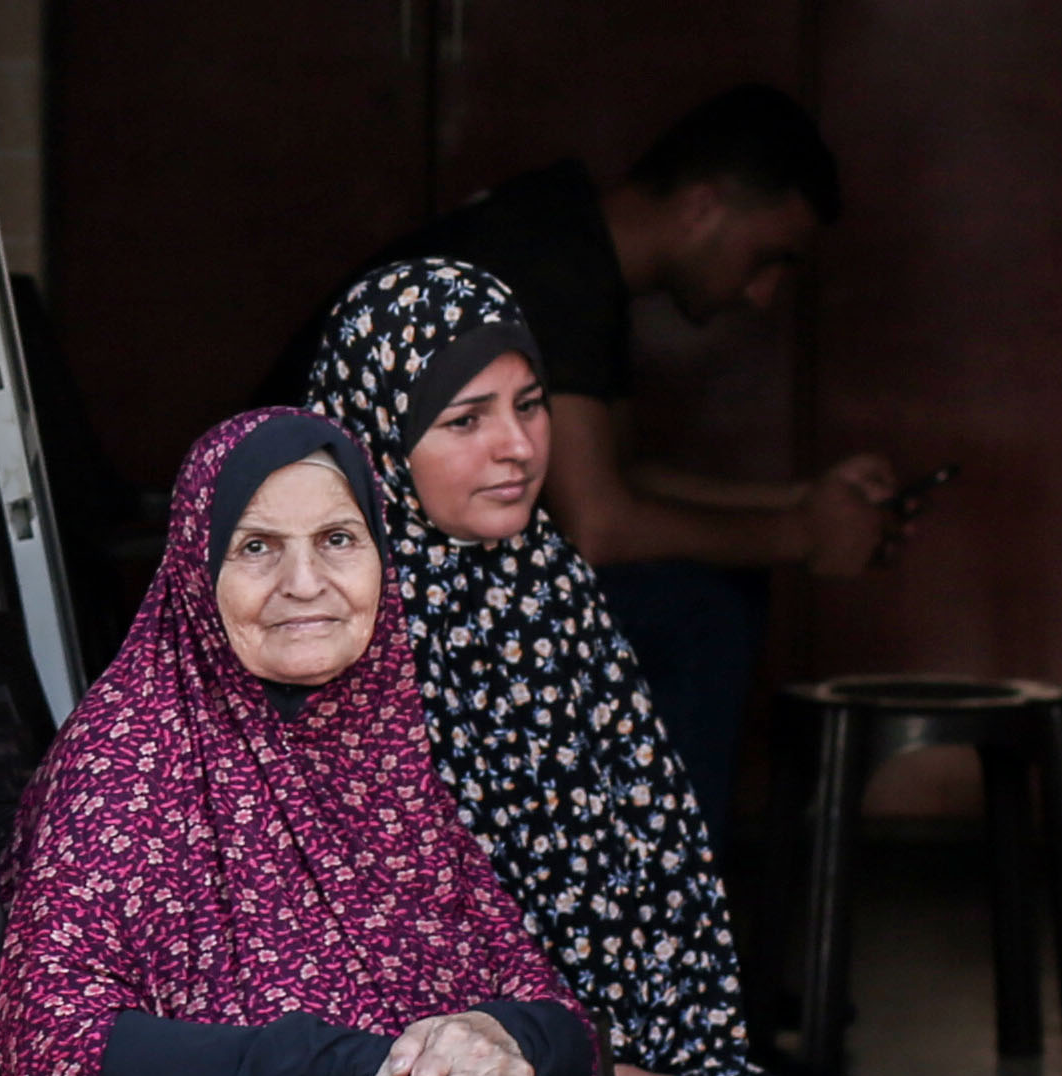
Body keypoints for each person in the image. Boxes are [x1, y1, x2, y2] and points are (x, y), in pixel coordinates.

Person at [0, 408, 956, 1076]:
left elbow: (555, 1015)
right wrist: (365, 1066)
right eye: (257, 549)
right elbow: (48, 1043)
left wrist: (492, 1035)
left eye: (337, 540)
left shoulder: (364, 741)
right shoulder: (131, 767)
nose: (305, 583)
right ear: (196, 572)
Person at [302, 260, 907, 1076]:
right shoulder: (341, 630)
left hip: (636, 1050)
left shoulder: (545, 584)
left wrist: (669, 1066)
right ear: (376, 438)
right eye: (465, 420)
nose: (517, 448)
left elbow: (647, 866)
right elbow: (383, 970)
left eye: (531, 404)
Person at [312, 84, 891, 837]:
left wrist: (796, 503)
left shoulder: (577, 247)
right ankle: (652, 928)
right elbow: (600, 530)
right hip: (320, 570)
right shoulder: (555, 260)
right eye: (767, 258)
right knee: (693, 612)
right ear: (701, 209)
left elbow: (607, 484)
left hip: (393, 556)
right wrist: (802, 537)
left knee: (709, 586)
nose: (764, 293)